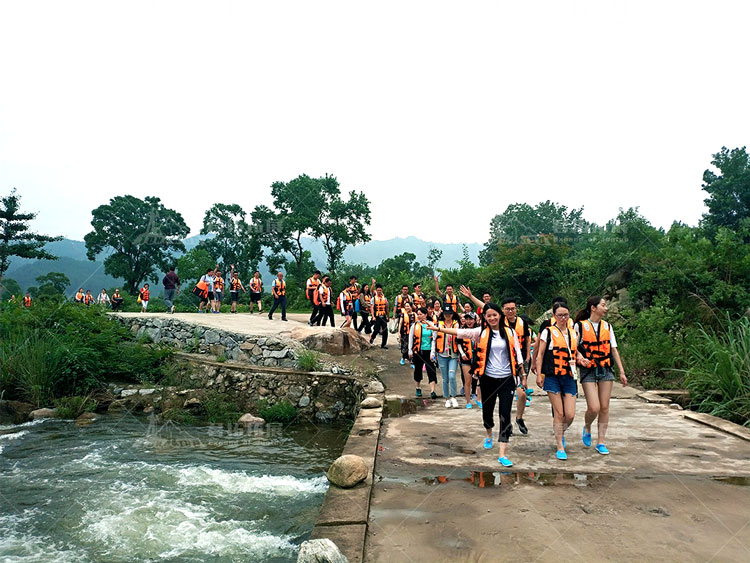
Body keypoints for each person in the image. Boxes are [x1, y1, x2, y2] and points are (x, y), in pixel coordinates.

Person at [429, 303, 525, 467]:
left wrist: (522, 376)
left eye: (495, 315)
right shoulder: (480, 332)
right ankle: (489, 433)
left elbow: (518, 354)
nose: (492, 318)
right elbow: (459, 332)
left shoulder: (510, 332)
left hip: (507, 379)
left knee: (505, 415)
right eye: (489, 316)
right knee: (487, 412)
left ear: (499, 315)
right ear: (485, 318)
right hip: (488, 379)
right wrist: (438, 329)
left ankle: (502, 454)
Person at [575, 296, 628, 455]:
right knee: (594, 407)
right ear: (593, 307)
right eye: (603, 305)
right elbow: (572, 345)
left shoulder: (607, 326)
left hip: (605, 368)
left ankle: (601, 442)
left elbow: (614, 350)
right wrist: (579, 357)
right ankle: (587, 426)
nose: (606, 308)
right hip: (588, 369)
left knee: (604, 407)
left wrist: (622, 372)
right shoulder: (580, 326)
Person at [535, 302, 584, 461]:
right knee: (560, 412)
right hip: (552, 376)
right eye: (560, 315)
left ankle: (560, 432)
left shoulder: (572, 333)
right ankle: (560, 446)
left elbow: (575, 353)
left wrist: (581, 359)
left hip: (569, 377)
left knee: (569, 415)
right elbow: (540, 355)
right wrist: (538, 374)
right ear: (554, 317)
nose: (563, 318)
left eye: (566, 315)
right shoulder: (547, 332)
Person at [501, 298, 532, 435]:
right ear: (503, 310)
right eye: (507, 309)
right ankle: (506, 424)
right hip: (505, 363)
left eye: (513, 308)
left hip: (520, 362)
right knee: (506, 396)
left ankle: (519, 418)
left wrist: (528, 357)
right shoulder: (500, 322)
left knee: (522, 395)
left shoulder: (522, 322)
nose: (510, 311)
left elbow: (526, 339)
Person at [409, 307, 438, 399]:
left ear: (425, 315)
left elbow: (434, 339)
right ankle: (418, 387)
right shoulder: (414, 325)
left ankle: (432, 391)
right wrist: (410, 350)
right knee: (418, 369)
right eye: (418, 314)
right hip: (418, 351)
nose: (419, 316)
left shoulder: (431, 325)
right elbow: (411, 338)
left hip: (428, 351)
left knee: (431, 369)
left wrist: (433, 352)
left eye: (421, 314)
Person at [458, 312, 482, 408]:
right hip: (466, 358)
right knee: (467, 380)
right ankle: (468, 402)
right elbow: (459, 343)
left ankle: (479, 399)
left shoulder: (479, 330)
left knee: (480, 379)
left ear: (475, 320)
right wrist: (462, 354)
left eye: (471, 319)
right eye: (467, 319)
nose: (469, 321)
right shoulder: (462, 330)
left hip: (478, 357)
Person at [369, 284, 389, 349]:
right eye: (378, 290)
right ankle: (372, 337)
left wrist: (388, 316)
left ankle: (383, 344)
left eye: (380, 290)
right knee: (376, 330)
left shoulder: (385, 298)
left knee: (385, 330)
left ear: (382, 290)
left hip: (383, 316)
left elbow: (387, 308)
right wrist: (373, 316)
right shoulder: (373, 299)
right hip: (377, 316)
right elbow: (371, 308)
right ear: (376, 291)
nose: (379, 292)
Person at [397, 301, 416, 366]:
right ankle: (403, 357)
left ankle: (411, 360)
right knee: (404, 346)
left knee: (412, 347)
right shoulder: (403, 314)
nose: (406, 308)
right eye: (405, 306)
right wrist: (399, 332)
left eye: (408, 306)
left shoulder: (414, 314)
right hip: (404, 333)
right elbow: (400, 323)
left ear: (411, 307)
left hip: (413, 334)